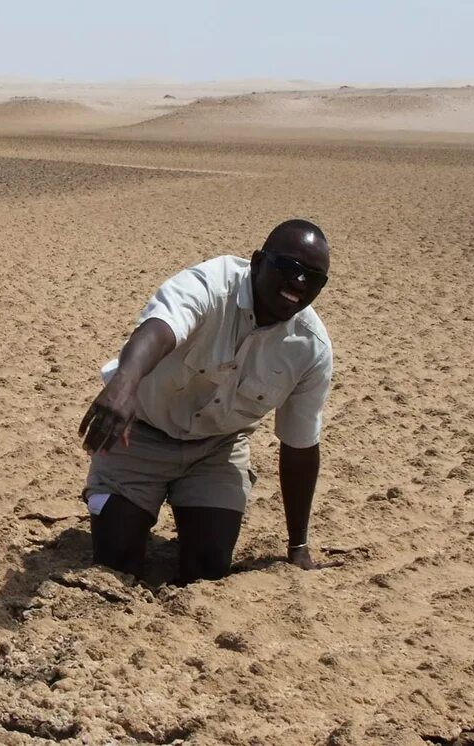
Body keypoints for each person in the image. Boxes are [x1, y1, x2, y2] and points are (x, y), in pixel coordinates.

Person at [78, 219, 333, 583]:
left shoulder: (310, 349)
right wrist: (124, 382)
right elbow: (159, 328)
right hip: (138, 435)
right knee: (115, 558)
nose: (299, 282)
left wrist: (299, 547)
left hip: (217, 450)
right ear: (258, 261)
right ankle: (113, 499)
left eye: (314, 277)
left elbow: (300, 445)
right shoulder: (210, 286)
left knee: (209, 566)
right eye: (289, 267)